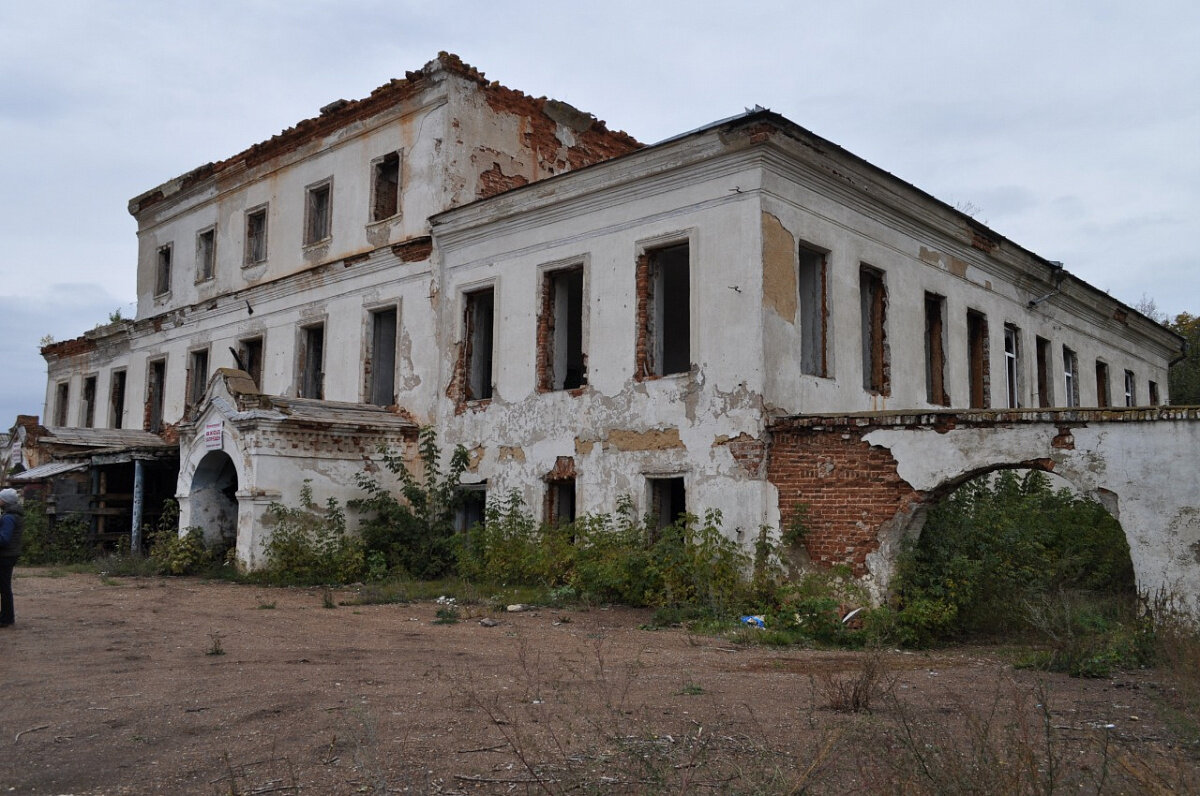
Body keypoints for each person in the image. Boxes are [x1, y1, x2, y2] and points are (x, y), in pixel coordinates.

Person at [0, 487, 23, 628]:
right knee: (4, 587)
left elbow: (4, 539)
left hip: (5, 555)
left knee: (4, 587)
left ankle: (6, 618)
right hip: (10, 554)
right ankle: (6, 616)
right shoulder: (14, 514)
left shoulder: (9, 517)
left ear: (5, 501)